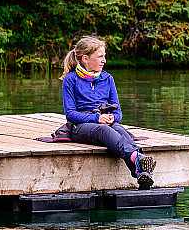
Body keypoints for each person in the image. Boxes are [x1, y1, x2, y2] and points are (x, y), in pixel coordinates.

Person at [60, 35, 156, 190]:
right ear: (85, 58)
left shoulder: (108, 78)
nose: (104, 60)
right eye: (100, 57)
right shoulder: (70, 79)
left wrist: (112, 117)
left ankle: (141, 173)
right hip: (80, 127)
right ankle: (138, 160)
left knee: (121, 131)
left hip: (106, 123)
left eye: (104, 56)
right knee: (104, 130)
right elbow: (70, 114)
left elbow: (118, 111)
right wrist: (97, 118)